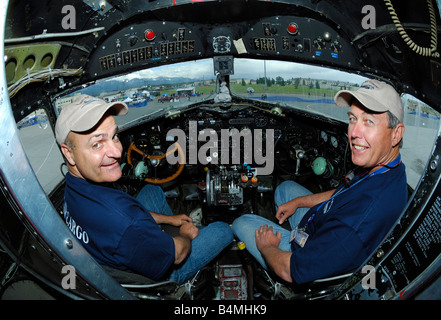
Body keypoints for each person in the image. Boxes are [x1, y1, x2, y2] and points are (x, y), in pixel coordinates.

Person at [232, 79, 408, 284]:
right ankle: (291, 231)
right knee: (285, 188)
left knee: (240, 222)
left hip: (303, 256)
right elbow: (342, 193)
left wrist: (267, 247)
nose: (354, 133)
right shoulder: (385, 169)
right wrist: (299, 202)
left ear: (396, 134)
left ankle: (281, 257)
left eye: (369, 122)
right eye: (353, 119)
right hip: (319, 226)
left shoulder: (356, 225)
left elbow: (290, 270)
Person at [55, 94, 233, 284]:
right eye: (97, 144)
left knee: (151, 190)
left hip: (118, 248)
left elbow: (130, 216)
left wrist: (170, 219)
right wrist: (184, 234)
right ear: (68, 153)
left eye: (114, 136)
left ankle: (167, 230)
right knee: (223, 230)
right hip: (161, 271)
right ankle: (185, 254)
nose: (117, 152)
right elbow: (178, 254)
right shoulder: (123, 221)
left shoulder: (73, 188)